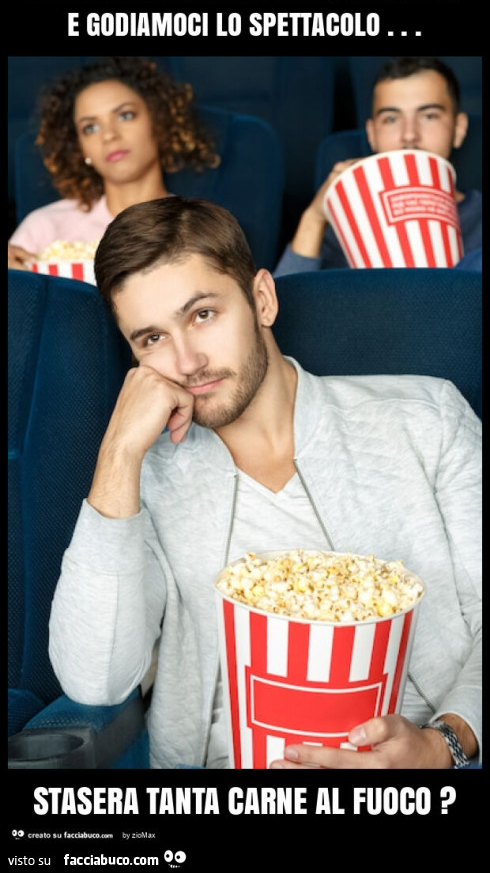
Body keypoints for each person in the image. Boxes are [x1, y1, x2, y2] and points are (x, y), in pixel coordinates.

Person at [48, 196, 481, 771]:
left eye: (202, 314)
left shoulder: (425, 418)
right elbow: (94, 680)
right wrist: (119, 452)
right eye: (151, 339)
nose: (187, 361)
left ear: (262, 299)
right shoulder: (142, 480)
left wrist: (442, 746)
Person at [274, 57, 482, 277]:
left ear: (459, 128)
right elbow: (281, 306)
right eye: (391, 119)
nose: (409, 135)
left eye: (429, 116)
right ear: (372, 135)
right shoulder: (345, 224)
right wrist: (315, 216)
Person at [8, 56, 219, 270]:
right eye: (90, 128)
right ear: (81, 148)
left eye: (125, 115)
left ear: (159, 121)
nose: (109, 135)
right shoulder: (45, 228)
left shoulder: (201, 226)